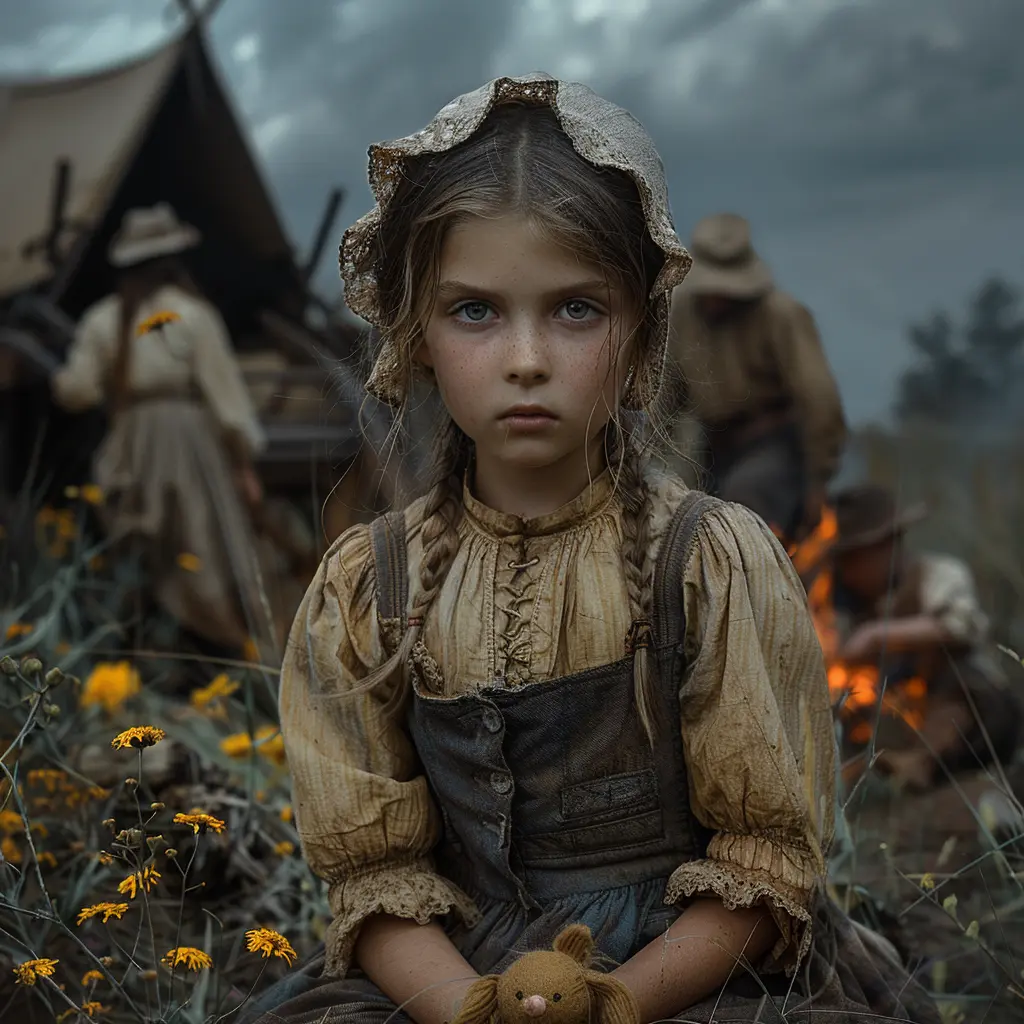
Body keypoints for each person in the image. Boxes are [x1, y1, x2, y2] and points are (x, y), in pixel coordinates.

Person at [244, 75, 938, 1024]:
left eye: (576, 309)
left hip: (677, 978)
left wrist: (606, 1000)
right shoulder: (371, 587)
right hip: (449, 982)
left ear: (642, 328)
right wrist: (475, 1008)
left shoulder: (707, 561)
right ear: (414, 333)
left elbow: (761, 864)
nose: (525, 357)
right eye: (475, 311)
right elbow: (377, 876)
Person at [50, 203, 272, 657]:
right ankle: (226, 647)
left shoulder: (102, 319)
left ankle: (151, 649)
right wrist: (243, 460)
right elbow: (226, 398)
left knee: (142, 547)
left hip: (130, 438)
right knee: (201, 538)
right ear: (171, 260)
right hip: (186, 438)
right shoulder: (191, 314)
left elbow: (75, 390)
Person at [667, 213, 847, 544]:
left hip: (773, 446)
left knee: (743, 509)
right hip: (712, 447)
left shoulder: (780, 316)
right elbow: (662, 396)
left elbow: (818, 398)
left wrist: (818, 477)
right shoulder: (680, 314)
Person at [831, 483, 1020, 789]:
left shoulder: (939, 574)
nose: (848, 572)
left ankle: (920, 764)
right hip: (899, 721)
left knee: (962, 681)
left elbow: (962, 625)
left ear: (889, 545)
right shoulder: (845, 604)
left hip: (975, 717)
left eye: (856, 559)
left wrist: (876, 635)